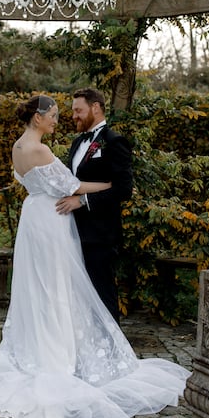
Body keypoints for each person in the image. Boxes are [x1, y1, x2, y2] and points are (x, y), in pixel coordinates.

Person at [0, 94, 189, 418]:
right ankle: (59, 355)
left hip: (37, 218)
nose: (61, 119)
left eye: (73, 111)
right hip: (51, 222)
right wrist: (102, 186)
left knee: (41, 288)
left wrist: (99, 192)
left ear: (95, 108)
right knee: (54, 288)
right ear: (38, 117)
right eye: (53, 115)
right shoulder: (45, 148)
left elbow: (99, 187)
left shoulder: (20, 147)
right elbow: (72, 184)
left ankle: (53, 349)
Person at [56, 88, 133, 323]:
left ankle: (113, 352)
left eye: (78, 110)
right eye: (73, 112)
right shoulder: (78, 142)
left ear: (96, 108)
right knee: (82, 297)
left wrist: (82, 200)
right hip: (74, 232)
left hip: (101, 235)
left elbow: (123, 189)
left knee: (103, 294)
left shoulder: (114, 141)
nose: (74, 116)